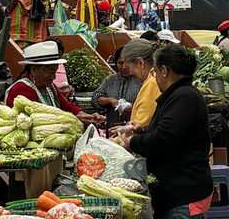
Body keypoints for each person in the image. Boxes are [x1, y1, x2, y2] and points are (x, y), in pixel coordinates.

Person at [122, 45, 214, 219]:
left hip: (183, 194)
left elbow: (163, 140)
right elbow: (170, 132)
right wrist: (143, 130)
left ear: (164, 71)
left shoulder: (184, 97)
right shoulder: (180, 94)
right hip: (179, 190)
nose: (155, 78)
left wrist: (132, 142)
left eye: (155, 72)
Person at [6, 41, 104, 126]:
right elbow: (36, 120)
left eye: (55, 71)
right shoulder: (22, 89)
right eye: (50, 72)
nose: (54, 77)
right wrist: (75, 119)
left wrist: (86, 116)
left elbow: (67, 106)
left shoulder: (50, 88)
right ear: (34, 70)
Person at [90, 46, 142, 125]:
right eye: (120, 63)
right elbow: (95, 98)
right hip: (112, 127)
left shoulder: (140, 80)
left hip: (133, 128)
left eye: (127, 64)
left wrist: (133, 109)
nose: (124, 67)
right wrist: (110, 101)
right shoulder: (111, 80)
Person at [121, 39, 162, 128]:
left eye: (128, 67)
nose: (130, 73)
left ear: (140, 63)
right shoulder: (153, 79)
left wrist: (114, 140)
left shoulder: (152, 84)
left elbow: (141, 124)